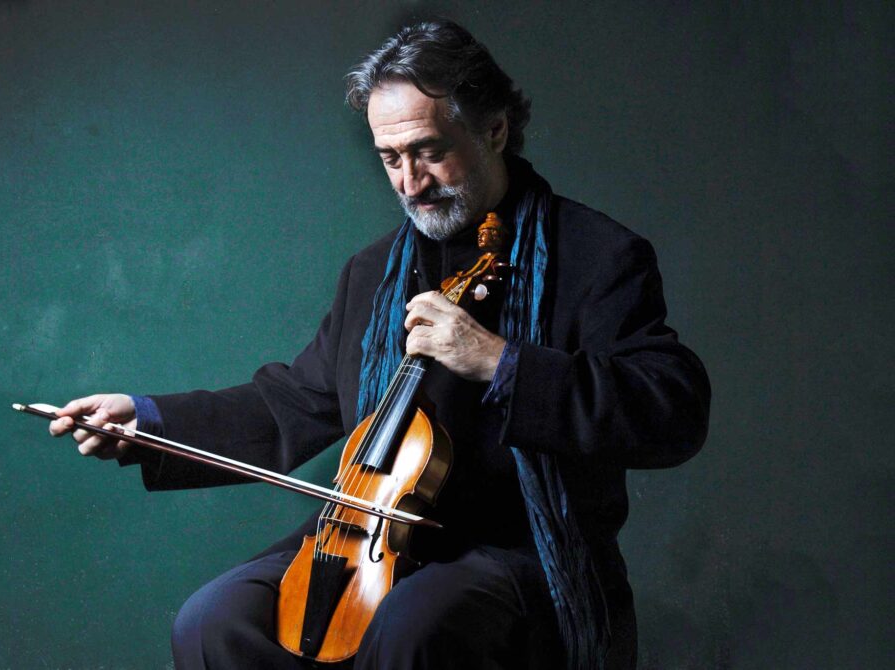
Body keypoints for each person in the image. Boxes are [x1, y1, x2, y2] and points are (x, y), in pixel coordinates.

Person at [49, 20, 710, 670]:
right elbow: (292, 402)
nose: (410, 183)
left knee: (413, 625)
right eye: (391, 159)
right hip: (373, 537)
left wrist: (501, 362)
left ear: (495, 130)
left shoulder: (599, 256)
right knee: (212, 621)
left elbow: (672, 411)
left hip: (520, 552)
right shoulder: (373, 274)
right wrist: (147, 420)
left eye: (428, 150)